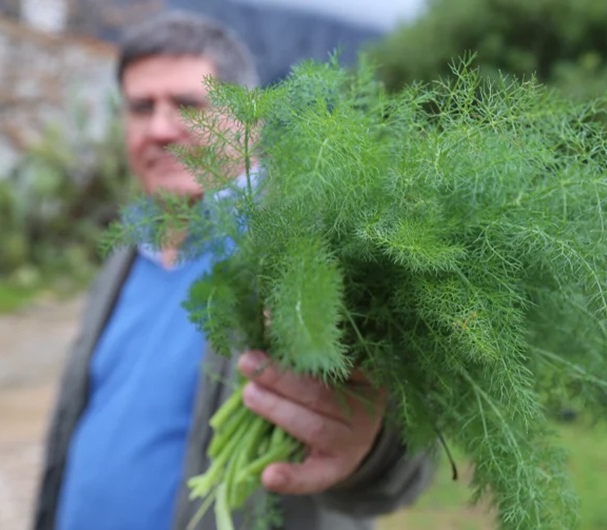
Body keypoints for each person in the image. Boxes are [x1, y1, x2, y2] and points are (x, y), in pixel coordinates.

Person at [32, 11, 432, 530]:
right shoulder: (127, 248)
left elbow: (403, 446)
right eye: (140, 107)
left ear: (249, 119)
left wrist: (369, 448)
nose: (159, 128)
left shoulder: (313, 244)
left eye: (187, 104)